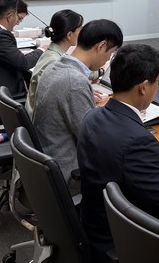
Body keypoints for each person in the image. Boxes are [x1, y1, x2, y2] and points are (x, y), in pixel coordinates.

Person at [77, 44, 159, 263]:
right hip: (127, 235)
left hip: (96, 222)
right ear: (143, 87)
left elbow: (116, 158)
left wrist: (152, 160)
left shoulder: (92, 116)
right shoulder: (138, 141)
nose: (158, 87)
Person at [32, 19, 123, 189]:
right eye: (111, 53)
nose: (107, 59)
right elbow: (94, 142)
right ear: (101, 46)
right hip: (68, 172)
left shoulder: (55, 66)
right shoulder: (74, 82)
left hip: (47, 161)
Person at [25, 9, 84, 116]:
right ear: (70, 35)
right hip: (41, 120)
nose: (82, 33)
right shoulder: (54, 61)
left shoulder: (52, 53)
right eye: (80, 29)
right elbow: (52, 100)